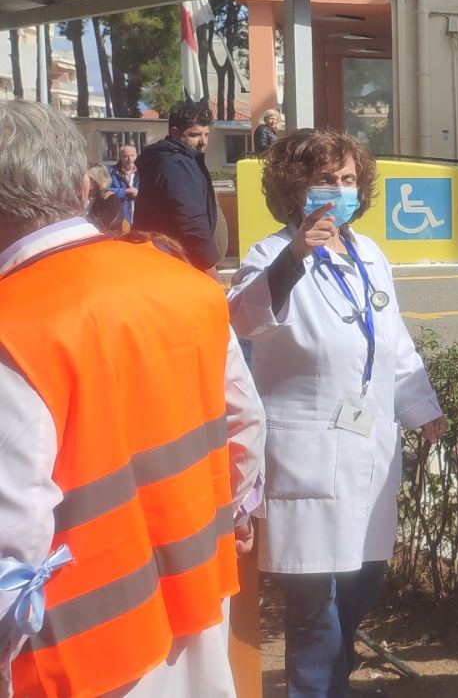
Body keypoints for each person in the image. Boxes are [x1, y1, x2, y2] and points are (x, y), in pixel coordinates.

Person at [0, 100, 264, 697]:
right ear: (83, 188)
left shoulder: (13, 325)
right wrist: (234, 513)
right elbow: (246, 424)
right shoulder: (185, 284)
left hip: (78, 650)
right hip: (197, 597)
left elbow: (11, 533)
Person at [229, 129, 446, 697]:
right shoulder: (270, 254)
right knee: (312, 609)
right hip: (305, 453)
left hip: (367, 451)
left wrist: (421, 405)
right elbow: (245, 317)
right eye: (326, 180)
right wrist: (296, 256)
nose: (340, 190)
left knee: (362, 583)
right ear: (294, 187)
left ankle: (332, 680)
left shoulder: (369, 253)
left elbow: (391, 340)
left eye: (349, 179)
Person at [137, 101, 221, 272]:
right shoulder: (177, 164)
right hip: (178, 262)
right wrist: (208, 264)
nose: (203, 142)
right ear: (175, 132)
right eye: (195, 135)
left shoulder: (174, 159)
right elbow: (190, 219)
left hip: (168, 259)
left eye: (206, 135)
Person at [84, 163, 124, 231]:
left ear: (98, 180)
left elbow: (104, 225)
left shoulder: (110, 200)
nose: (85, 181)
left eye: (90, 179)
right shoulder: (81, 197)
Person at [108, 142, 140, 224]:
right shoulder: (111, 172)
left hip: (139, 218)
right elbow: (105, 190)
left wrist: (139, 193)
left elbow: (149, 191)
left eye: (132, 155)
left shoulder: (143, 172)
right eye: (126, 156)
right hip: (119, 219)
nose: (130, 159)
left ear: (136, 156)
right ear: (120, 157)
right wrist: (124, 192)